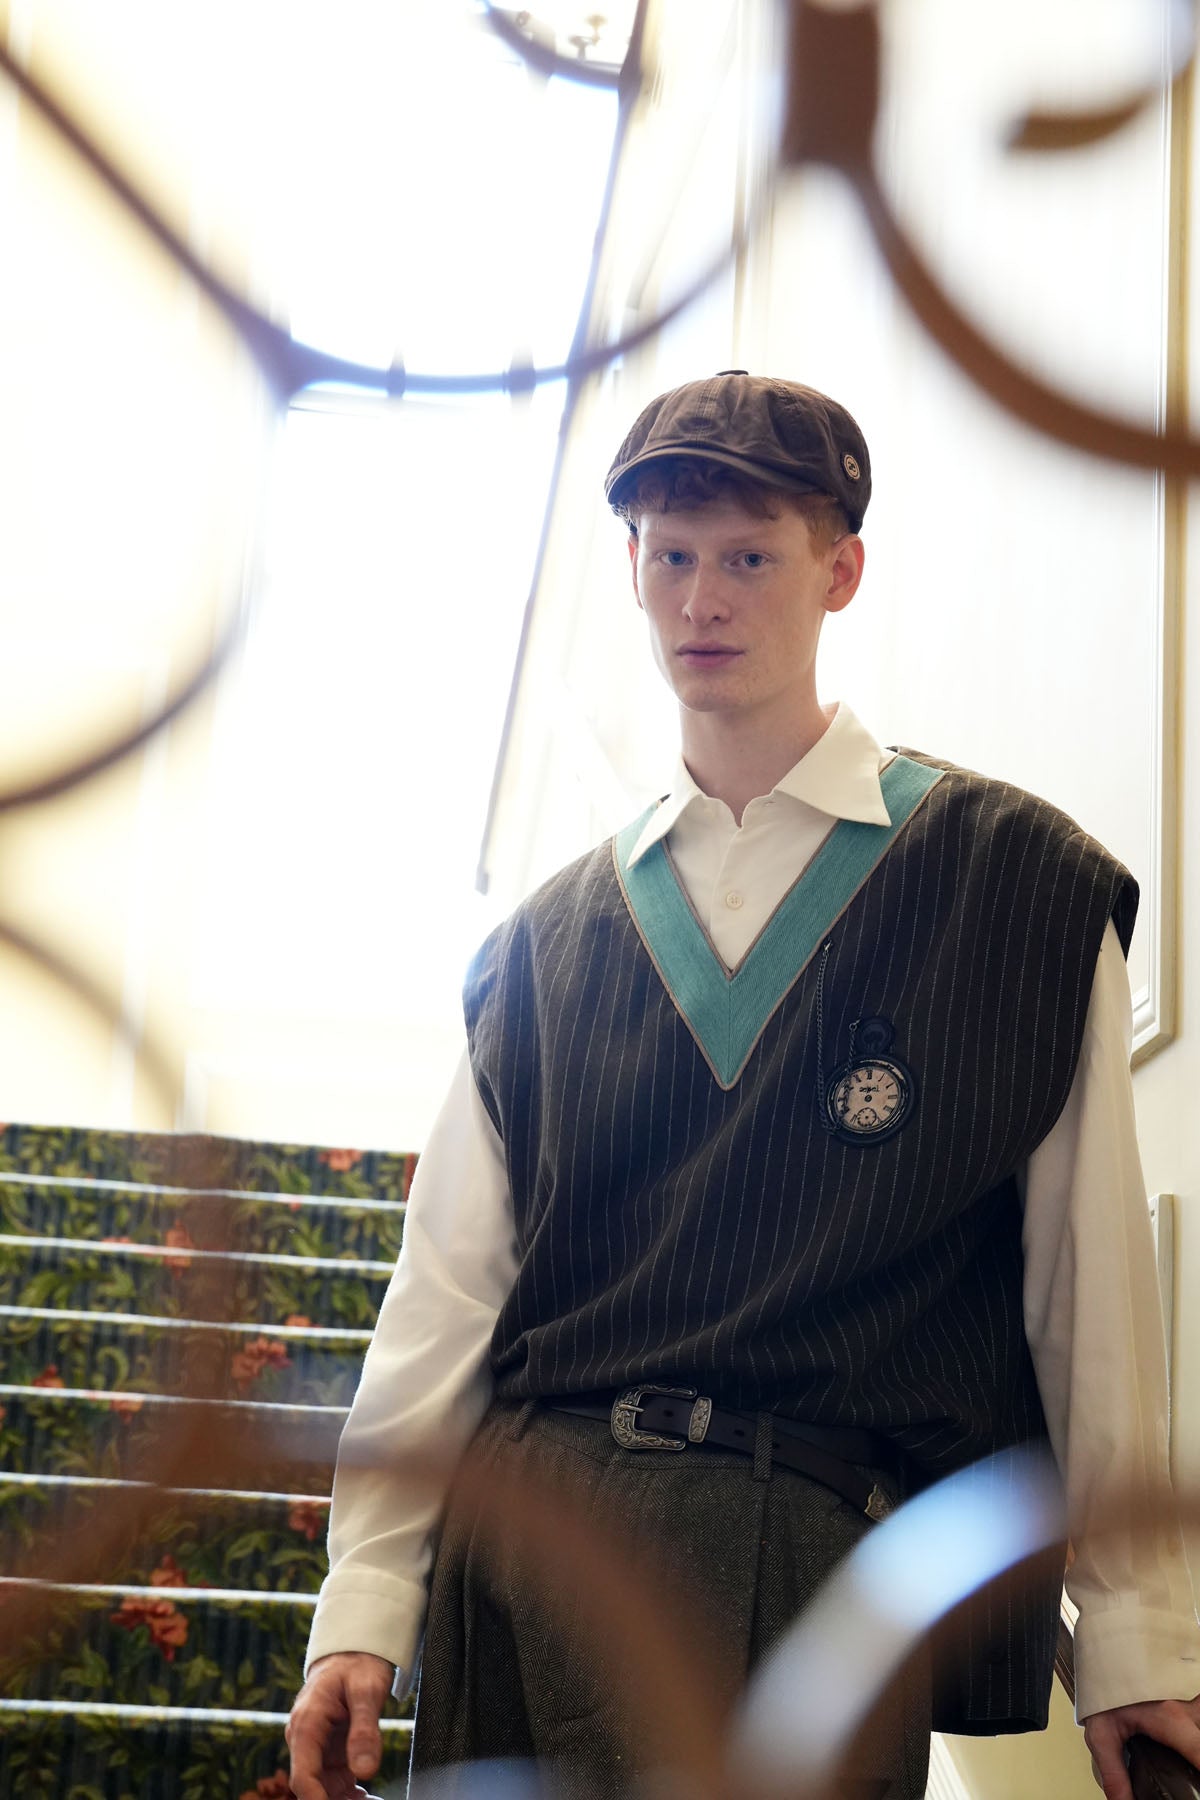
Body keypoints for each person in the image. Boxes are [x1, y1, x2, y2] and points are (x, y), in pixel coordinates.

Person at [287, 372, 1200, 1800]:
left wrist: (1138, 1636)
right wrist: (364, 1603)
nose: (702, 600)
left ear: (841, 571)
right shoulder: (537, 947)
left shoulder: (1017, 889)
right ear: (633, 571)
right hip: (528, 1562)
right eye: (671, 557)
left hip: (813, 1549)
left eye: (751, 558)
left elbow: (1089, 1295)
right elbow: (445, 1298)